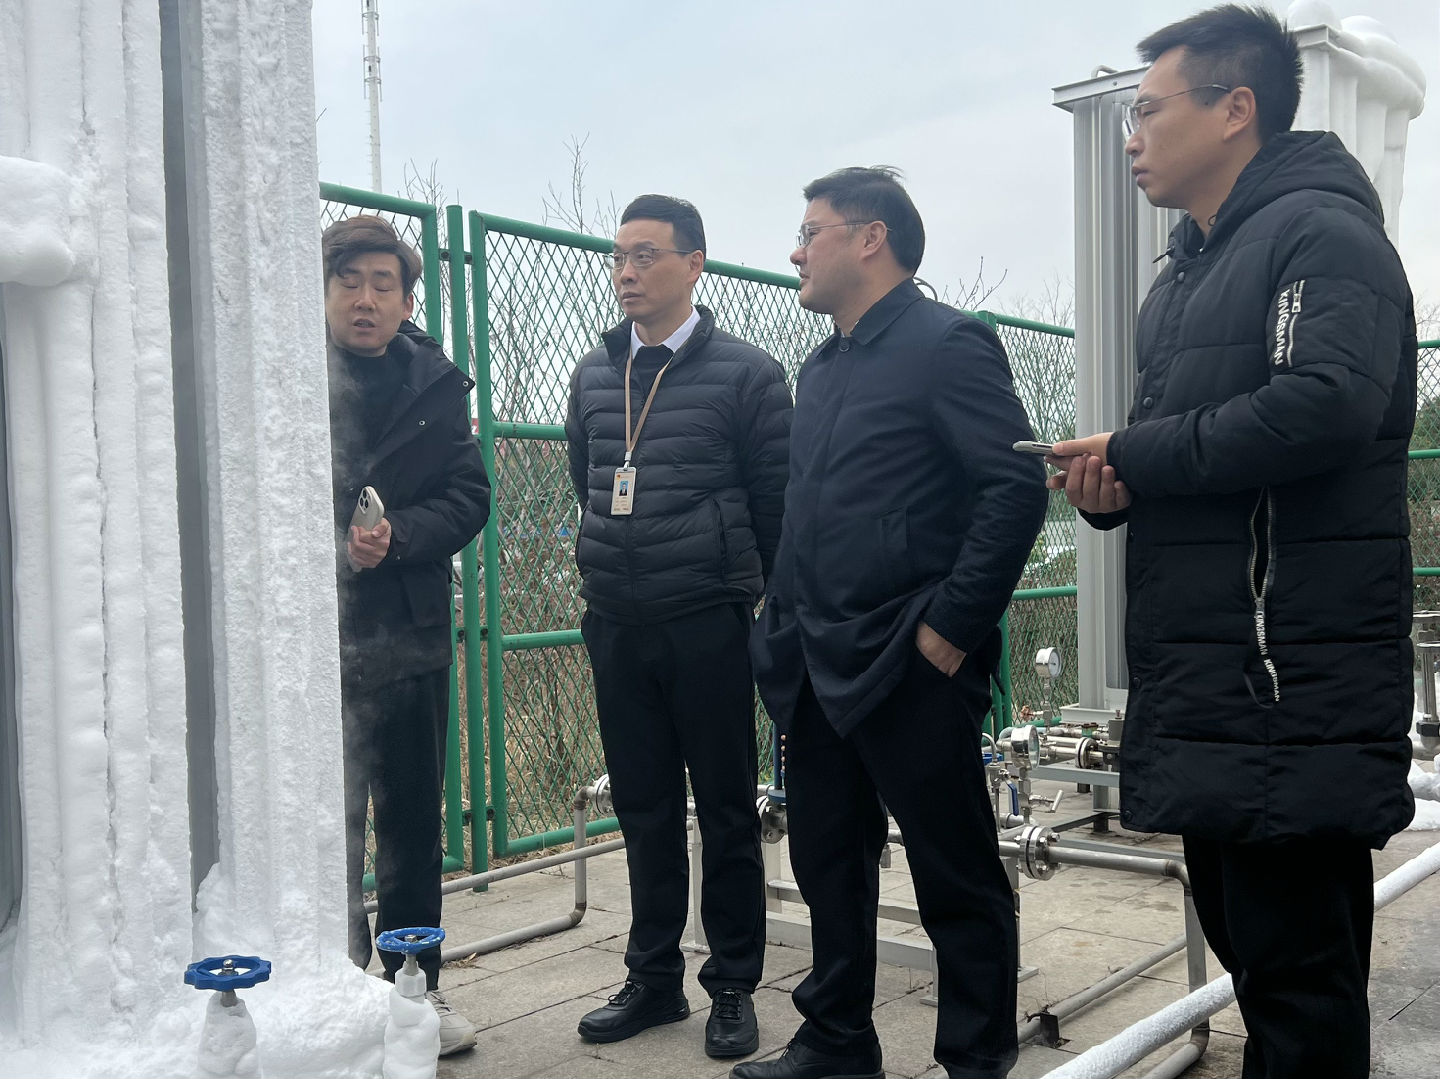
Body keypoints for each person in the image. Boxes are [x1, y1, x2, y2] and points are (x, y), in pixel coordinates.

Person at [1046, 7, 1417, 1078]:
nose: (1131, 136)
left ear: (1235, 108)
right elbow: (1190, 457)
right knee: (1262, 968)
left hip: (1286, 688)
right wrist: (1109, 485)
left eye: (1149, 110)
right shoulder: (1181, 277)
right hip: (1208, 682)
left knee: (1301, 990)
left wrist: (1139, 451)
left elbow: (1325, 404)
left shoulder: (1321, 235)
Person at [741, 167, 1048, 1079]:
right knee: (828, 858)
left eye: (811, 232)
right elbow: (808, 513)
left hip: (909, 658)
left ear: (869, 237)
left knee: (955, 871)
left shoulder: (948, 344)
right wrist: (778, 622)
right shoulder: (822, 366)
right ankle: (837, 1039)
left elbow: (1014, 487)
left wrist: (951, 625)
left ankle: (975, 1059)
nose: (796, 252)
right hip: (815, 658)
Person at [565, 194, 792, 1059]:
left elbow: (775, 506)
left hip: (707, 619)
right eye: (618, 257)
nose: (627, 273)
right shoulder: (595, 374)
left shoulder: (747, 374)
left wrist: (760, 606)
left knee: (727, 806)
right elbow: (587, 478)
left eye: (646, 255)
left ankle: (732, 983)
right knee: (643, 805)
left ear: (694, 264)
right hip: (616, 620)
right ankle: (653, 976)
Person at [322, 215, 491, 1056]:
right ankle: (331, 985)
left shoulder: (434, 384)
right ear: (324, 291)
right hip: (314, 638)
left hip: (411, 632)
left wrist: (402, 536)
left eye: (382, 284)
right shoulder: (288, 371)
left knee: (413, 822)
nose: (365, 299)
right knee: (327, 822)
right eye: (349, 281)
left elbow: (470, 495)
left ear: (406, 300)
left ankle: (415, 989)